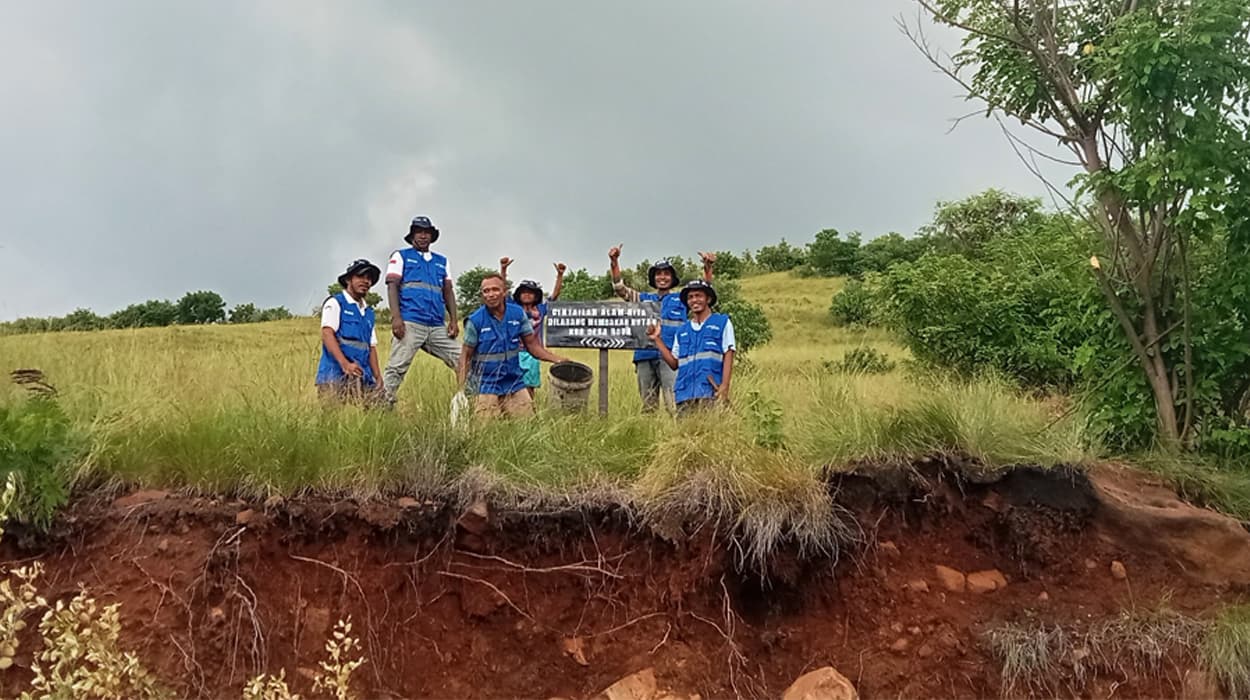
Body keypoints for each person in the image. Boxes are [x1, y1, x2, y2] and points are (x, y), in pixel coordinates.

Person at [608, 245, 716, 411]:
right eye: (659, 274)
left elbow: (704, 289)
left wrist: (708, 267)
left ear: (672, 278)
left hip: (670, 358)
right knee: (647, 406)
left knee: (674, 404)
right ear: (654, 278)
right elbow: (619, 289)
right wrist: (614, 262)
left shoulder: (681, 299)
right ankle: (650, 435)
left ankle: (677, 435)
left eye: (667, 274)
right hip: (644, 356)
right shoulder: (643, 299)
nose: (662, 277)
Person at [457, 274, 570, 418]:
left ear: (504, 292)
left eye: (495, 290)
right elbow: (465, 356)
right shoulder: (475, 321)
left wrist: (559, 360)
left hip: (513, 381)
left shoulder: (517, 314)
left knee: (528, 425)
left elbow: (532, 346)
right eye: (486, 291)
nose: (490, 294)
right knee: (485, 430)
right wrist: (460, 391)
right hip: (485, 384)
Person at [382, 216, 460, 407]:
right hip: (410, 321)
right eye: (419, 232)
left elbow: (448, 291)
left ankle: (469, 399)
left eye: (427, 232)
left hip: (436, 324)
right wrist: (396, 318)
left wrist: (453, 320)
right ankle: (382, 405)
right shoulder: (401, 256)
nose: (423, 236)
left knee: (463, 359)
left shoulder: (442, 261)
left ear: (432, 236)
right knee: (397, 367)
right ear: (412, 235)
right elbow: (392, 286)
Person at [648, 280, 735, 414]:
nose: (694, 300)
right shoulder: (682, 330)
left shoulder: (722, 323)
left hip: (710, 393)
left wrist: (724, 387)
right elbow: (673, 363)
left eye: (699, 296)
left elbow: (729, 354)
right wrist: (657, 340)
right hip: (684, 396)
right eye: (690, 297)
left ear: (708, 299)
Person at [317, 259, 383, 405]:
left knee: (375, 416)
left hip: (363, 376)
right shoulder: (335, 303)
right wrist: (345, 364)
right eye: (360, 276)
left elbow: (371, 346)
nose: (365, 281)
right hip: (334, 375)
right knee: (332, 422)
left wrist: (377, 377)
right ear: (348, 279)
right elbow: (327, 334)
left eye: (369, 278)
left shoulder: (368, 312)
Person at [499, 257, 566, 398]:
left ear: (536, 295)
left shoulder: (540, 309)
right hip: (513, 351)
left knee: (529, 386)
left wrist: (560, 275)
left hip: (533, 353)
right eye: (524, 292)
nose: (527, 294)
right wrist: (503, 269)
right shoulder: (513, 308)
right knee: (510, 385)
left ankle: (529, 411)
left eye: (530, 292)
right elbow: (502, 290)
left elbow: (555, 295)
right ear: (519, 294)